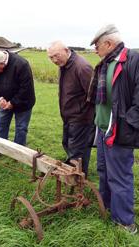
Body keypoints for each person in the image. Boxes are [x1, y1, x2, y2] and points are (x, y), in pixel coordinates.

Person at [87, 24, 139, 233]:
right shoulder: (106, 63)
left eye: (97, 46)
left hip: (118, 132)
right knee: (103, 172)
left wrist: (125, 126)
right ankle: (108, 208)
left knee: (119, 176)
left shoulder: (134, 61)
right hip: (102, 130)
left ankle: (125, 223)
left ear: (109, 44)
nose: (95, 50)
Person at [47, 41, 95, 177]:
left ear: (66, 50)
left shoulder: (82, 67)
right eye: (51, 57)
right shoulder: (64, 65)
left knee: (78, 151)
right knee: (68, 144)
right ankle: (73, 170)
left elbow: (94, 95)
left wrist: (83, 113)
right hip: (69, 116)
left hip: (81, 118)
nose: (54, 60)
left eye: (56, 55)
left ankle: (79, 178)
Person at [0, 50, 35, 157]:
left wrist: (13, 102)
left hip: (23, 103)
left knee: (21, 128)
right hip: (4, 102)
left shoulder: (21, 64)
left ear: (2, 64)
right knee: (1, 125)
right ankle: (1, 148)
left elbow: (26, 88)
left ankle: (18, 152)